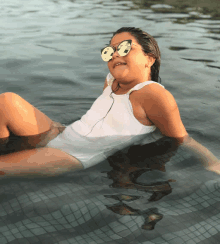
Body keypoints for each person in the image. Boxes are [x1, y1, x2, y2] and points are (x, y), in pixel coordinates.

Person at [0, 27, 219, 178]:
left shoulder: (154, 95)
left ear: (149, 58)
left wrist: (211, 162)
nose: (115, 55)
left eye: (125, 48)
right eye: (110, 50)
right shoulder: (111, 80)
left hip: (74, 154)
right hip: (61, 132)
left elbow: (181, 138)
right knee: (6, 101)